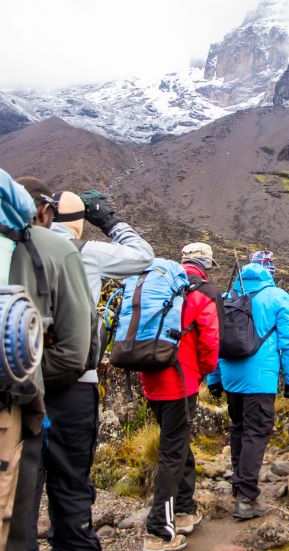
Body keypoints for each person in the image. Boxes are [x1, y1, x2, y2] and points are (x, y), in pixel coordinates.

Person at [18, 184, 155, 551]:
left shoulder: (15, 250)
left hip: (21, 382)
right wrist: (110, 221)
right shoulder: (85, 252)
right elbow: (144, 256)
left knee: (21, 492)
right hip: (74, 386)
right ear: (79, 221)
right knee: (71, 489)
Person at [3, 173, 93, 550]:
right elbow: (75, 351)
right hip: (26, 403)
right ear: (43, 211)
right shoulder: (59, 251)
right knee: (41, 503)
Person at [207, 250, 289, 519]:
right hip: (261, 379)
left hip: (230, 377)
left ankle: (239, 486)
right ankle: (247, 497)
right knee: (256, 432)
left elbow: (213, 341)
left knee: (238, 429)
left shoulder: (226, 297)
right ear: (268, 272)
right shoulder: (277, 297)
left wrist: (214, 379)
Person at [140, 242, 220, 551]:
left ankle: (185, 508)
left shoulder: (158, 288)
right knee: (172, 452)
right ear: (205, 266)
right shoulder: (201, 294)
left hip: (150, 377)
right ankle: (158, 529)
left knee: (176, 441)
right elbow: (211, 343)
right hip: (180, 381)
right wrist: (203, 372)